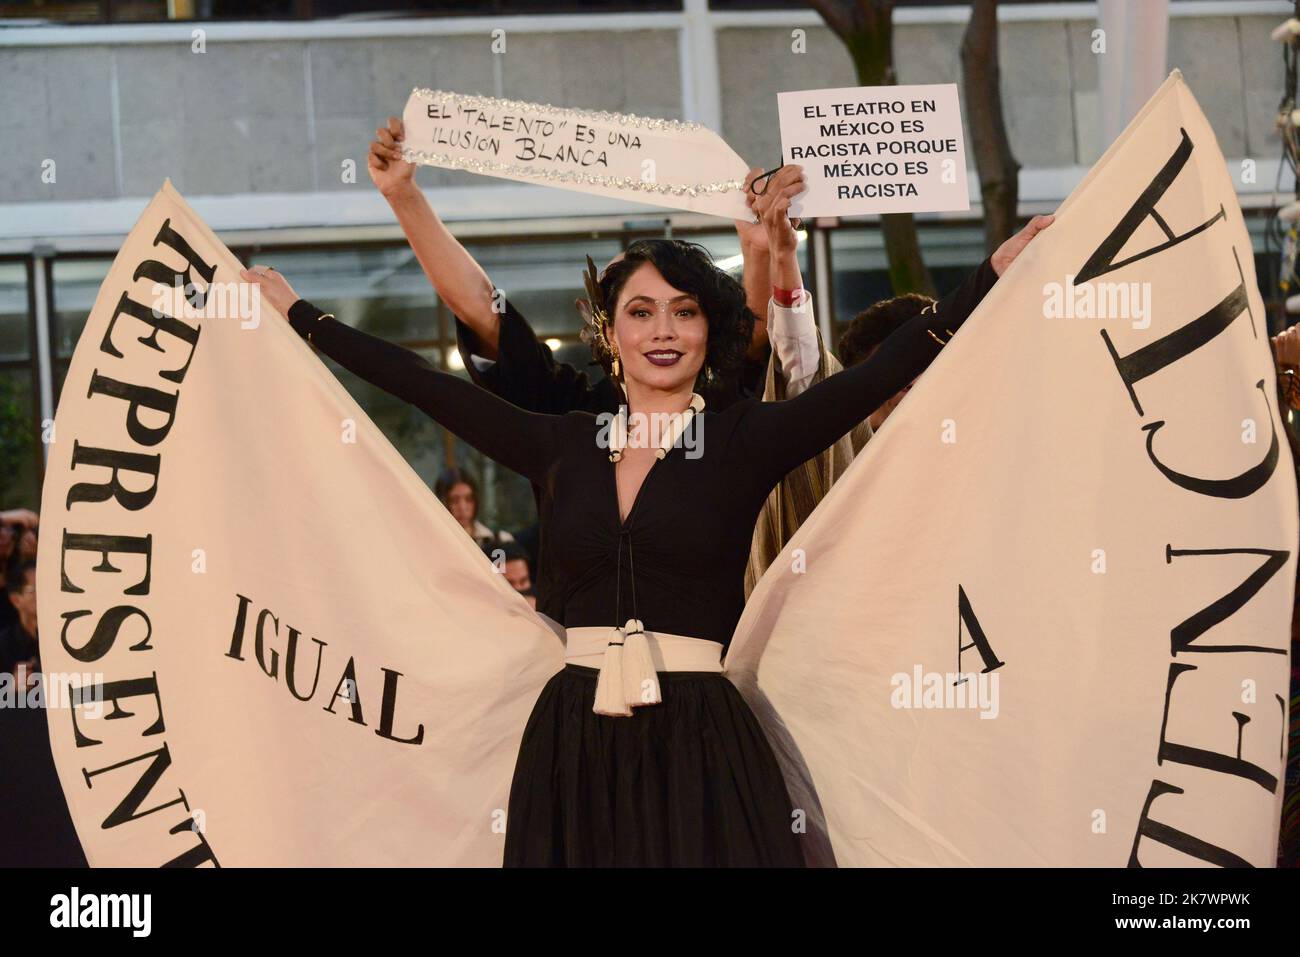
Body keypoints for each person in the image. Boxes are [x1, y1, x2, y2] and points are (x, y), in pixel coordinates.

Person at [241, 171, 1019, 864]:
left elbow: (881, 370)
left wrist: (990, 274)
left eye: (684, 313)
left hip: (704, 748)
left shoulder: (743, 438)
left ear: (709, 332)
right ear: (611, 332)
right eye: (641, 312)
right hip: (571, 747)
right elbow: (422, 384)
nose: (663, 330)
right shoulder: (562, 441)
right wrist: (304, 316)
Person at [433, 466, 514, 550]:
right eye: (454, 500)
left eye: (469, 499)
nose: (462, 507)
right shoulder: (431, 543)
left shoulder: (500, 541)